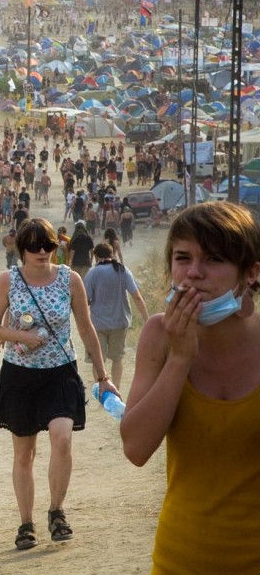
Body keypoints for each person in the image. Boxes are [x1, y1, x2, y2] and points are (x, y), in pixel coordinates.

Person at [120, 201, 260, 571]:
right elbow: (135, 447)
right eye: (183, 258)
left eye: (214, 259)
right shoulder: (158, 336)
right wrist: (180, 358)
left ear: (250, 273)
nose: (194, 273)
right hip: (180, 557)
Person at [0, 218, 116, 551]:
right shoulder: (7, 281)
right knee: (24, 454)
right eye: (35, 246)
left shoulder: (70, 280)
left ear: (58, 247)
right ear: (22, 249)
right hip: (20, 374)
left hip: (60, 371)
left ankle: (56, 512)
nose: (42, 252)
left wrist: (103, 376)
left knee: (62, 438)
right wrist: (20, 336)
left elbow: (86, 328)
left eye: (49, 246)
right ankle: (25, 523)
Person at [83, 243, 150, 390]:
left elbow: (85, 300)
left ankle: (102, 390)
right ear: (112, 254)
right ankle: (116, 388)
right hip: (120, 322)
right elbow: (137, 297)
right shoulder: (123, 270)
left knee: (98, 359)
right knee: (117, 358)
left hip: (98, 324)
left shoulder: (92, 273)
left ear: (95, 256)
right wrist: (147, 319)